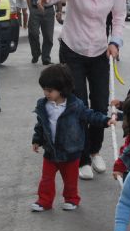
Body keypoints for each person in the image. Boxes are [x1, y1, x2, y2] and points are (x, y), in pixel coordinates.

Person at [38, 0, 127, 180]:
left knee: (99, 104)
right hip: (72, 50)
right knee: (79, 104)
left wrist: (115, 42)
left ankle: (96, 149)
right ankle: (82, 157)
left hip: (100, 51)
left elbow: (119, 17)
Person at [30, 64, 115, 212]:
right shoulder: (43, 105)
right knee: (46, 179)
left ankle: (71, 199)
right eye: (44, 89)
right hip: (51, 151)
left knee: (70, 180)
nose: (46, 93)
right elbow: (41, 124)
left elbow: (90, 115)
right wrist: (37, 140)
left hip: (71, 151)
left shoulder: (76, 105)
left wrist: (105, 120)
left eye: (50, 90)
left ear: (62, 88)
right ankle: (44, 201)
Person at [25, 0, 60, 65]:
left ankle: (46, 58)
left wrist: (59, 11)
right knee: (33, 34)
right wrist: (31, 9)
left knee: (48, 37)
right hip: (35, 10)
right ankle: (36, 54)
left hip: (48, 11)